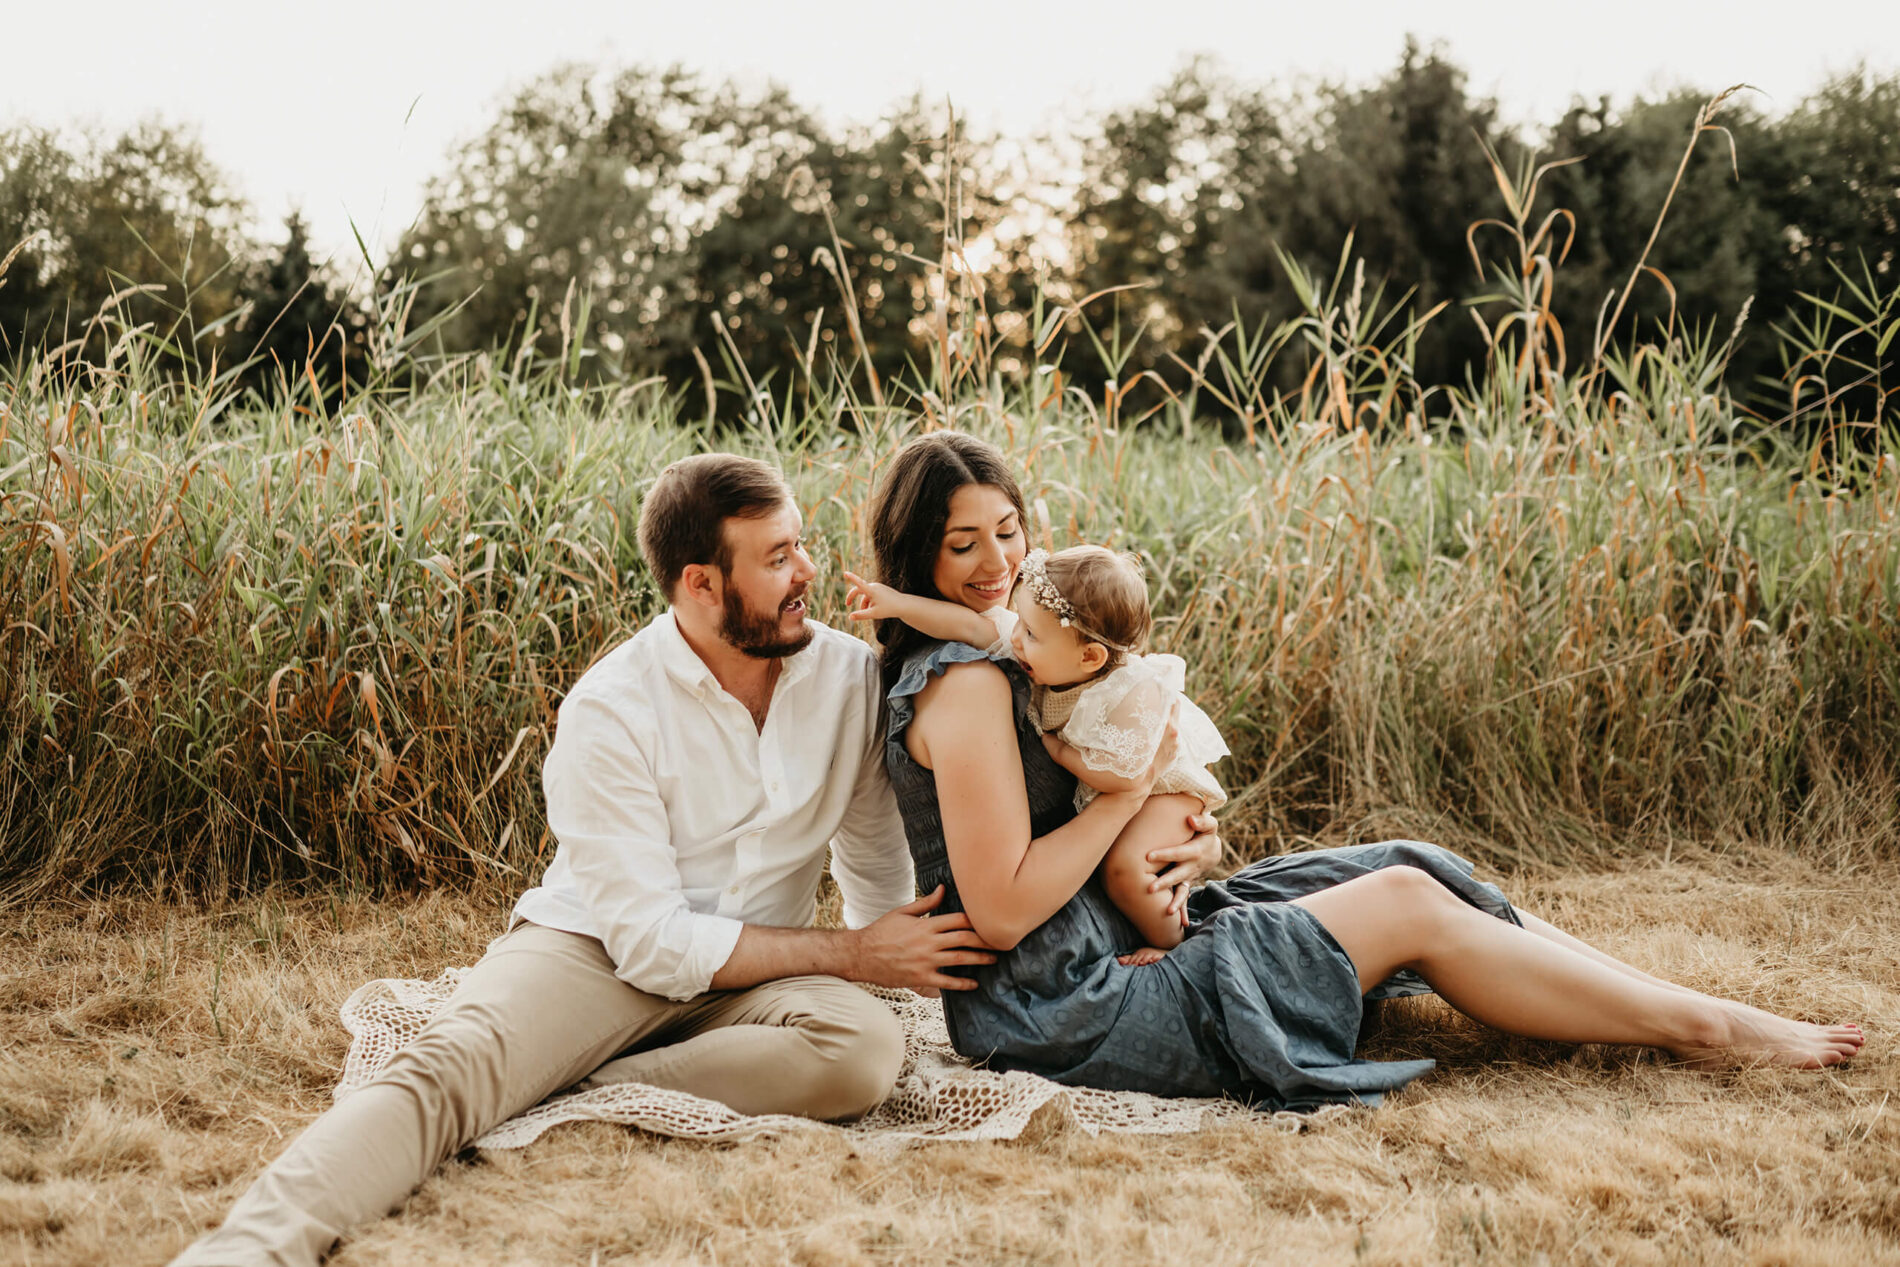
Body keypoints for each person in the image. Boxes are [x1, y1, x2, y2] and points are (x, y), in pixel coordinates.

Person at [863, 430, 1864, 1109]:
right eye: (962, 544)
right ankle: (1702, 1025)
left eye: (1008, 533)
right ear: (917, 554)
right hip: (1062, 1007)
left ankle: (1643, 990)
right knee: (1399, 902)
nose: (996, 561)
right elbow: (997, 911)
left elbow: (1074, 808)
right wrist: (1127, 796)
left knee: (1412, 862)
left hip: (1110, 941)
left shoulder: (1009, 644)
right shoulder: (962, 691)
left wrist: (1173, 834)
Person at [171, 453, 997, 1267]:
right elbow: (651, 943)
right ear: (700, 583)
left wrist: (887, 949)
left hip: (757, 970)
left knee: (863, 1049)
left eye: (800, 545)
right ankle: (250, 1248)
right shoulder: (612, 707)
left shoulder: (848, 678)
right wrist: (853, 953)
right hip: (595, 952)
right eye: (777, 557)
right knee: (446, 1073)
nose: (807, 571)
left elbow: (871, 868)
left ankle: (579, 1087)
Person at [845, 544, 1229, 965]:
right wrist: (897, 604)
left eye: (1029, 634)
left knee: (1127, 871)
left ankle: (1175, 943)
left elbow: (1126, 778)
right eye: (1021, 623)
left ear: (1090, 657)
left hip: (1164, 788)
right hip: (1134, 788)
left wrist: (1061, 753)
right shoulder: (1049, 646)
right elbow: (972, 626)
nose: (1015, 639)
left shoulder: (1123, 692)